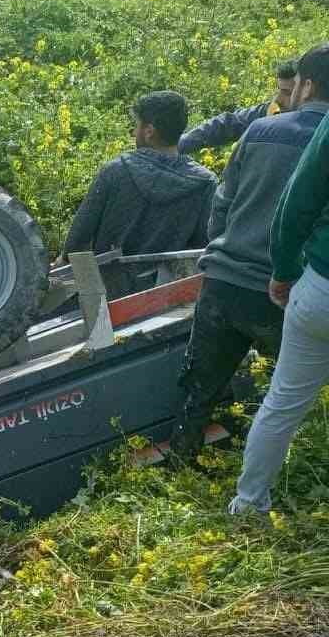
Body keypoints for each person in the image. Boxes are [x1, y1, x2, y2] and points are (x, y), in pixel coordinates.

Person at [171, 44, 329, 461]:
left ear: (306, 85)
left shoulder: (259, 130)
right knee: (285, 398)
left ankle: (182, 462)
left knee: (198, 391)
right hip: (286, 290)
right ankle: (275, 473)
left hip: (224, 281)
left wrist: (223, 252)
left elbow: (222, 203)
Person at [228, 60, 329, 515]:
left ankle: (248, 504)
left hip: (320, 288)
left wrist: (285, 270)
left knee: (283, 402)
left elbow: (297, 202)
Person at [62, 91, 216, 297]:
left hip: (109, 295)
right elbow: (203, 248)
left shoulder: (116, 171)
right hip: (168, 297)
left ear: (149, 131)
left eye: (137, 126)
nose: (134, 132)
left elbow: (77, 242)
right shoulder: (205, 183)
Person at [178, 59, 299, 155]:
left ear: (305, 91)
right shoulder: (271, 111)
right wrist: (180, 143)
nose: (277, 99)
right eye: (278, 90)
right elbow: (229, 123)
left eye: (287, 93)